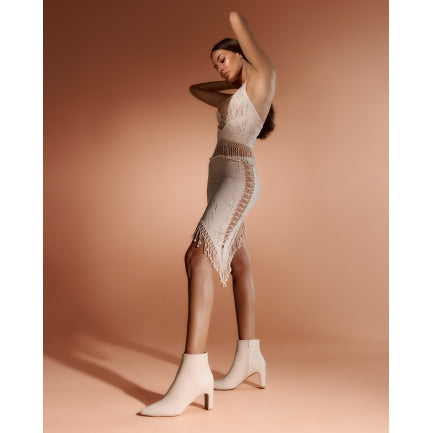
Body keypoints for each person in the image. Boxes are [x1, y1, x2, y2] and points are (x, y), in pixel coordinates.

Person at [140, 11, 276, 417]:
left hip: (238, 178)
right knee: (240, 265)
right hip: (218, 179)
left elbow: (237, 20)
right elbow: (194, 89)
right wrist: (231, 81)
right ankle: (249, 356)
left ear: (242, 54)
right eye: (215, 62)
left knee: (197, 256)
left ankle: (193, 371)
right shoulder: (233, 97)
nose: (218, 67)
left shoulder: (264, 78)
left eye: (223, 58)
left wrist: (242, 67)